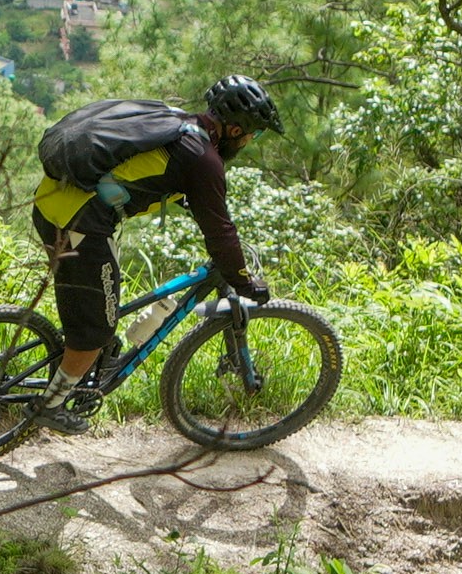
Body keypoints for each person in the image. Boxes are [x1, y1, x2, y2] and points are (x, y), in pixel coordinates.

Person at [32, 74, 282, 425]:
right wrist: (243, 281)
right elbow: (220, 231)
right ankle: (50, 406)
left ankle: (80, 361)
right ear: (237, 130)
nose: (249, 143)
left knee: (97, 304)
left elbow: (144, 171)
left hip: (53, 201)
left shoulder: (178, 122)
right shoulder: (204, 159)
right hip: (79, 222)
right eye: (252, 135)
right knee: (95, 328)